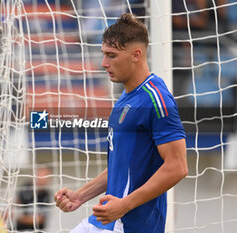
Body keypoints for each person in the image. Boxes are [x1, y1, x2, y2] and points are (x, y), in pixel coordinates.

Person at [55, 13, 188, 233]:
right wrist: (81, 195)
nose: (104, 63)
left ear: (136, 54)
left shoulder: (157, 99)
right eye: (103, 55)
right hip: (105, 222)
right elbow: (123, 166)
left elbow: (178, 167)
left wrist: (124, 205)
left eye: (111, 55)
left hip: (130, 225)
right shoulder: (126, 97)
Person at [16, 167, 51, 232]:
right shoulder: (25, 188)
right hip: (20, 229)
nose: (42, 178)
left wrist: (19, 218)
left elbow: (39, 220)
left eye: (45, 176)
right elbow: (16, 206)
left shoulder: (46, 195)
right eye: (40, 174)